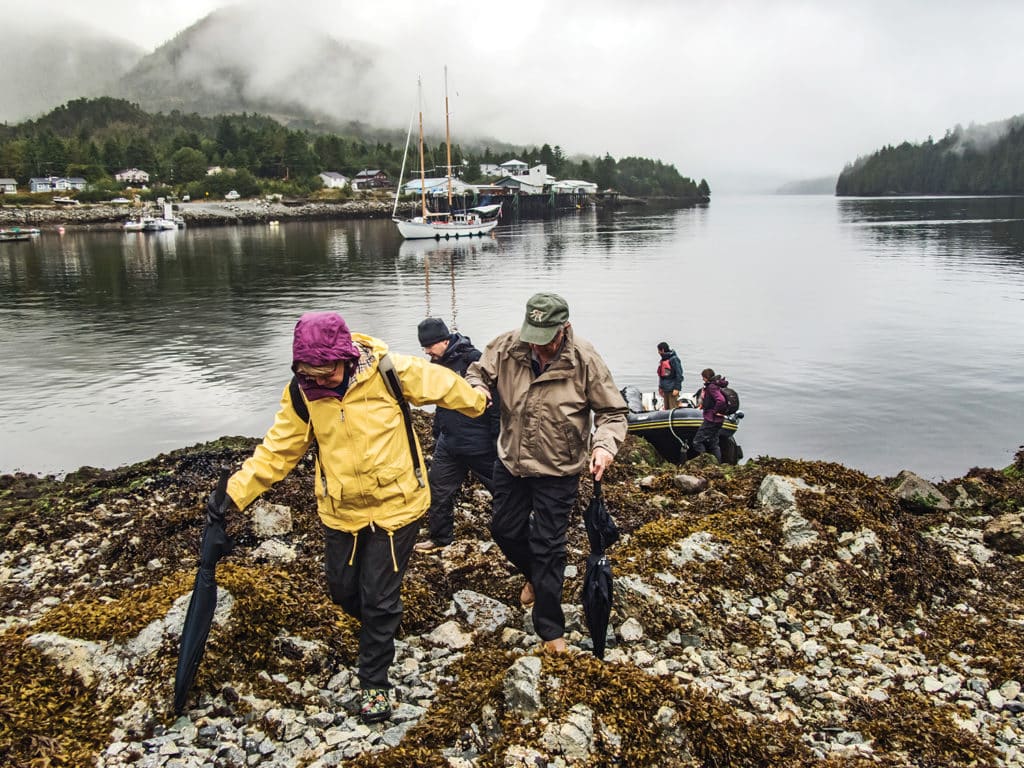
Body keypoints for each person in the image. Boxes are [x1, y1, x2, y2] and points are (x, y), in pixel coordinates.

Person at [210, 311, 486, 724]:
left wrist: (480, 399)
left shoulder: (392, 371)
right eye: (308, 373)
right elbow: (278, 450)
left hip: (398, 505)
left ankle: (374, 681)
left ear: (345, 357)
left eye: (324, 372)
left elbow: (448, 386)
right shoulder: (303, 393)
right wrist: (233, 494)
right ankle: (383, 625)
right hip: (340, 510)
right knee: (342, 591)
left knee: (378, 595)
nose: (317, 381)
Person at [465, 292, 628, 653]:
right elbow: (478, 371)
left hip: (559, 468)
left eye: (545, 340)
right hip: (512, 459)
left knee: (549, 547)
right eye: (532, 337)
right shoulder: (508, 346)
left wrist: (603, 445)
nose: (537, 347)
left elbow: (613, 413)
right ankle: (535, 577)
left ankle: (551, 631)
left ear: (564, 328)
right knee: (503, 529)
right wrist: (478, 389)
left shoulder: (584, 359)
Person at [413, 317, 499, 552]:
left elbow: (496, 402)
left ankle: (517, 534)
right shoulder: (437, 365)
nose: (427, 352)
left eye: (429, 346)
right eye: (424, 347)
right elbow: (441, 404)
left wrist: (496, 438)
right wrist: (437, 433)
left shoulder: (474, 359)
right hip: (449, 443)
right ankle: (440, 539)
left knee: (503, 492)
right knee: (438, 489)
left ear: (443, 341)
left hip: (480, 444)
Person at [691, 367, 727, 460]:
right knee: (713, 443)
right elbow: (712, 400)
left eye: (703, 377)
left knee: (697, 442)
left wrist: (714, 411)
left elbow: (721, 400)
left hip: (711, 419)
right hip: (718, 420)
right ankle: (717, 463)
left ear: (706, 377)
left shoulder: (711, 387)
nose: (702, 379)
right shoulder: (717, 385)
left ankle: (705, 460)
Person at [656, 341, 684, 410]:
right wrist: (660, 387)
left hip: (672, 390)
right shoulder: (664, 360)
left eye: (659, 350)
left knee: (673, 408)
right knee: (667, 409)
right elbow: (663, 376)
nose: (658, 352)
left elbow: (679, 374)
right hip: (665, 389)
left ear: (662, 350)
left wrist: (677, 388)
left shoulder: (674, 359)